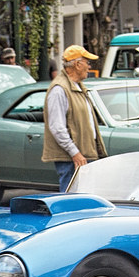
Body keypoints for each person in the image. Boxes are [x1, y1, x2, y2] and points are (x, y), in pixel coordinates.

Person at [41, 45, 107, 192]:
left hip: (81, 155)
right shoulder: (59, 90)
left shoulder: (76, 87)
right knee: (71, 198)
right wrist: (75, 153)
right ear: (77, 65)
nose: (89, 67)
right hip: (73, 159)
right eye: (87, 63)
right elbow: (57, 127)